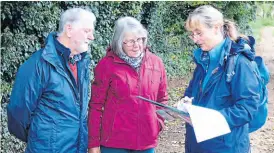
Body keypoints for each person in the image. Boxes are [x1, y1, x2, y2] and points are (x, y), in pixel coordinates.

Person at [7, 8, 96, 153]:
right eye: (87, 31)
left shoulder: (82, 63)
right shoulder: (38, 64)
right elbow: (17, 114)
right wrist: (40, 138)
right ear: (69, 29)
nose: (92, 37)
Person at [183, 5, 260, 153]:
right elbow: (191, 92)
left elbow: (248, 108)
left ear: (216, 28)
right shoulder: (203, 59)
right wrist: (185, 103)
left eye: (199, 33)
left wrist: (212, 119)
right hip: (197, 144)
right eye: (192, 34)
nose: (195, 39)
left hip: (227, 146)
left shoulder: (240, 62)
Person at [88, 16, 168, 153]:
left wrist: (157, 123)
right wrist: (93, 144)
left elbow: (162, 100)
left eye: (140, 39)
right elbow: (95, 106)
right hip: (114, 143)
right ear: (119, 43)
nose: (137, 45)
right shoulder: (107, 65)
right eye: (130, 41)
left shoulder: (156, 63)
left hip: (146, 142)